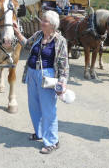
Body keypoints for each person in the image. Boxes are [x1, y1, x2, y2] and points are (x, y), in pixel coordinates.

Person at [13, 10, 69, 154]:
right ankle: (39, 133)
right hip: (32, 73)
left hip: (47, 76)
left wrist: (62, 82)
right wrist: (17, 32)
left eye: (45, 21)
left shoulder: (59, 41)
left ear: (53, 25)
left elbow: (64, 64)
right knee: (34, 106)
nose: (41, 23)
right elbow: (26, 44)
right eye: (42, 20)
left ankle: (52, 141)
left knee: (48, 110)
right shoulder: (38, 35)